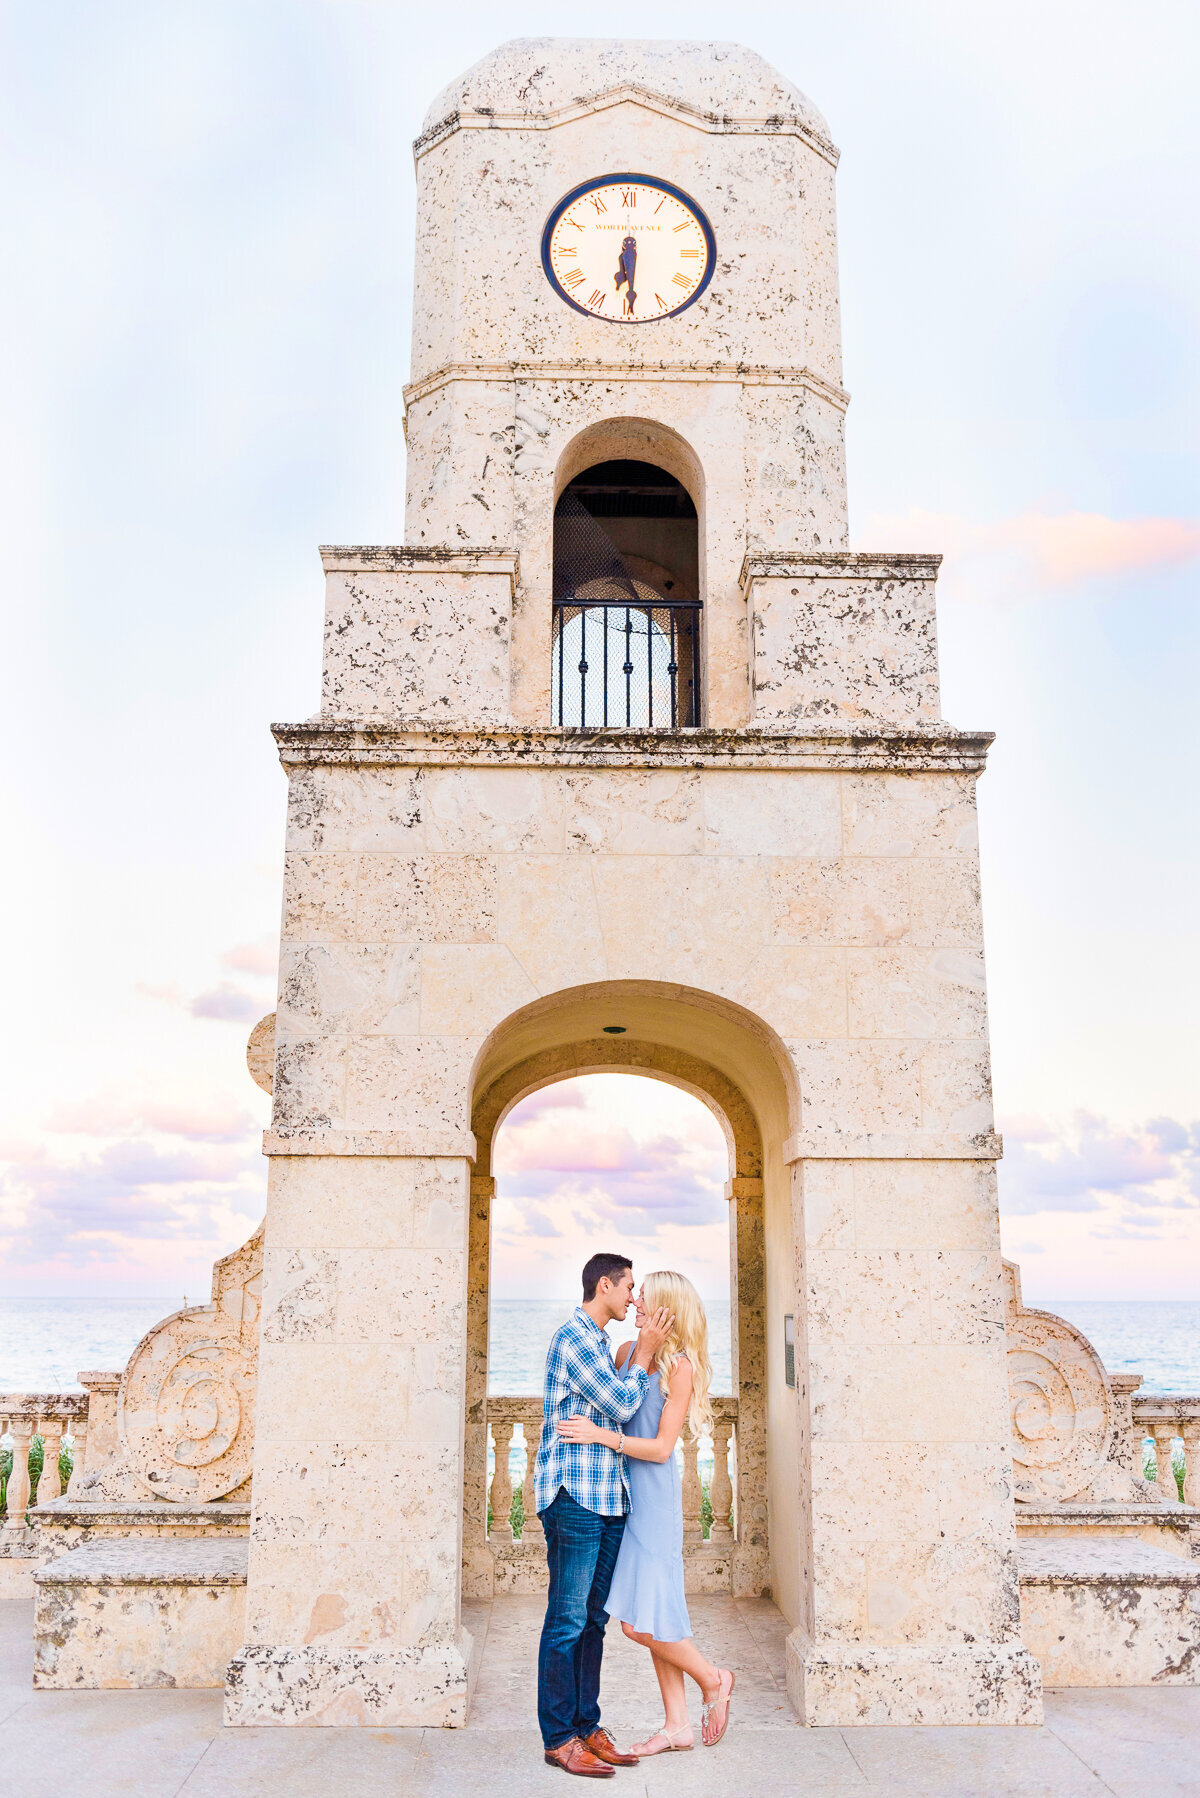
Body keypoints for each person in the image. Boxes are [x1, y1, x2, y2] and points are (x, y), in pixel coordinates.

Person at [557, 1270, 735, 1755]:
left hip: (652, 1502)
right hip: (618, 1498)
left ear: (667, 1311)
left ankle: (712, 1678)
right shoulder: (625, 1356)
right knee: (654, 1616)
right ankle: (677, 1724)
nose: (635, 1303)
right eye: (635, 1297)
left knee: (639, 1624)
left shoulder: (680, 1368)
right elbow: (614, 1402)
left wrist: (601, 1437)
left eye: (646, 1300)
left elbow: (659, 1449)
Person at [533, 1251, 675, 1779]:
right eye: (629, 1287)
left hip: (609, 1496)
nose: (634, 1298)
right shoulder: (574, 1338)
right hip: (574, 1497)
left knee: (594, 1619)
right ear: (605, 1285)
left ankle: (585, 1724)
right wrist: (645, 1351)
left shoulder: (595, 1341)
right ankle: (558, 1737)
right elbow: (618, 1404)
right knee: (567, 1620)